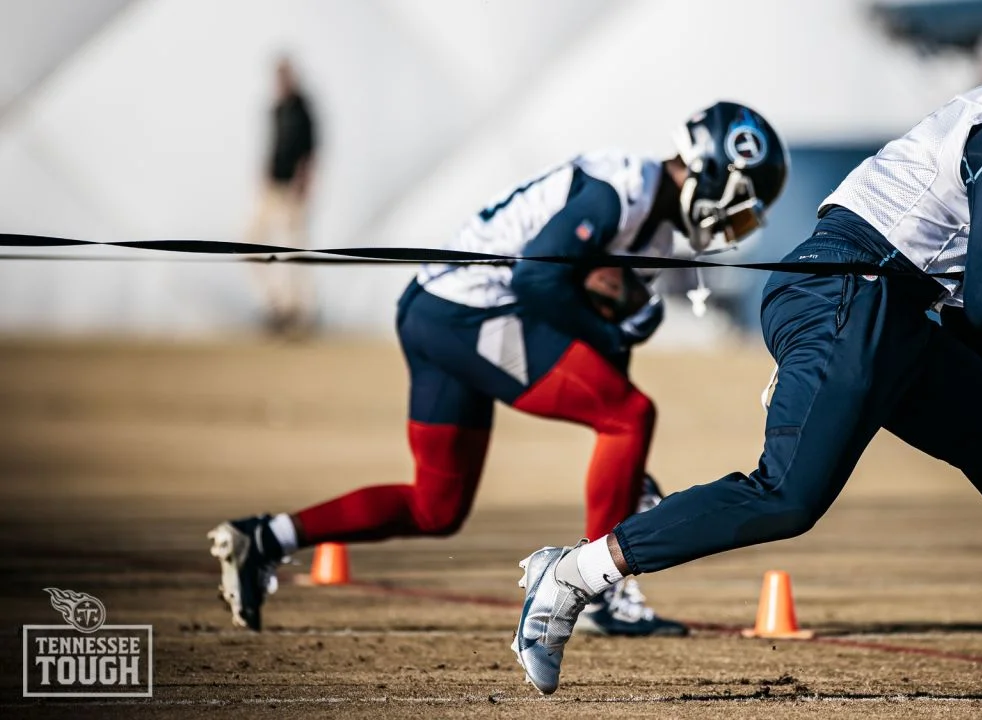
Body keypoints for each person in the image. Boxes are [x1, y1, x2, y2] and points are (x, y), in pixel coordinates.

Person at [512, 6, 982, 699]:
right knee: (788, 496)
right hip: (852, 295)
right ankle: (574, 574)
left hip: (884, 306)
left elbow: (966, 323)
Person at [208, 102, 790, 636]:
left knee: (436, 508)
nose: (730, 226)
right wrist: (613, 335)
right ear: (713, 168)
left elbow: (601, 346)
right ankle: (594, 595)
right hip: (469, 310)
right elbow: (536, 279)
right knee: (629, 416)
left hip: (438, 310)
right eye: (737, 205)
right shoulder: (625, 188)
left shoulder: (654, 224)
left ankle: (265, 537)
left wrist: (626, 458)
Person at [245, 57, 318, 338]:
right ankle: (277, 304)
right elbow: (272, 145)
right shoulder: (275, 108)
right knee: (249, 243)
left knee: (293, 251)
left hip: (292, 190)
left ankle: (299, 314)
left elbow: (311, 149)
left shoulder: (303, 108)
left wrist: (305, 182)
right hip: (272, 187)